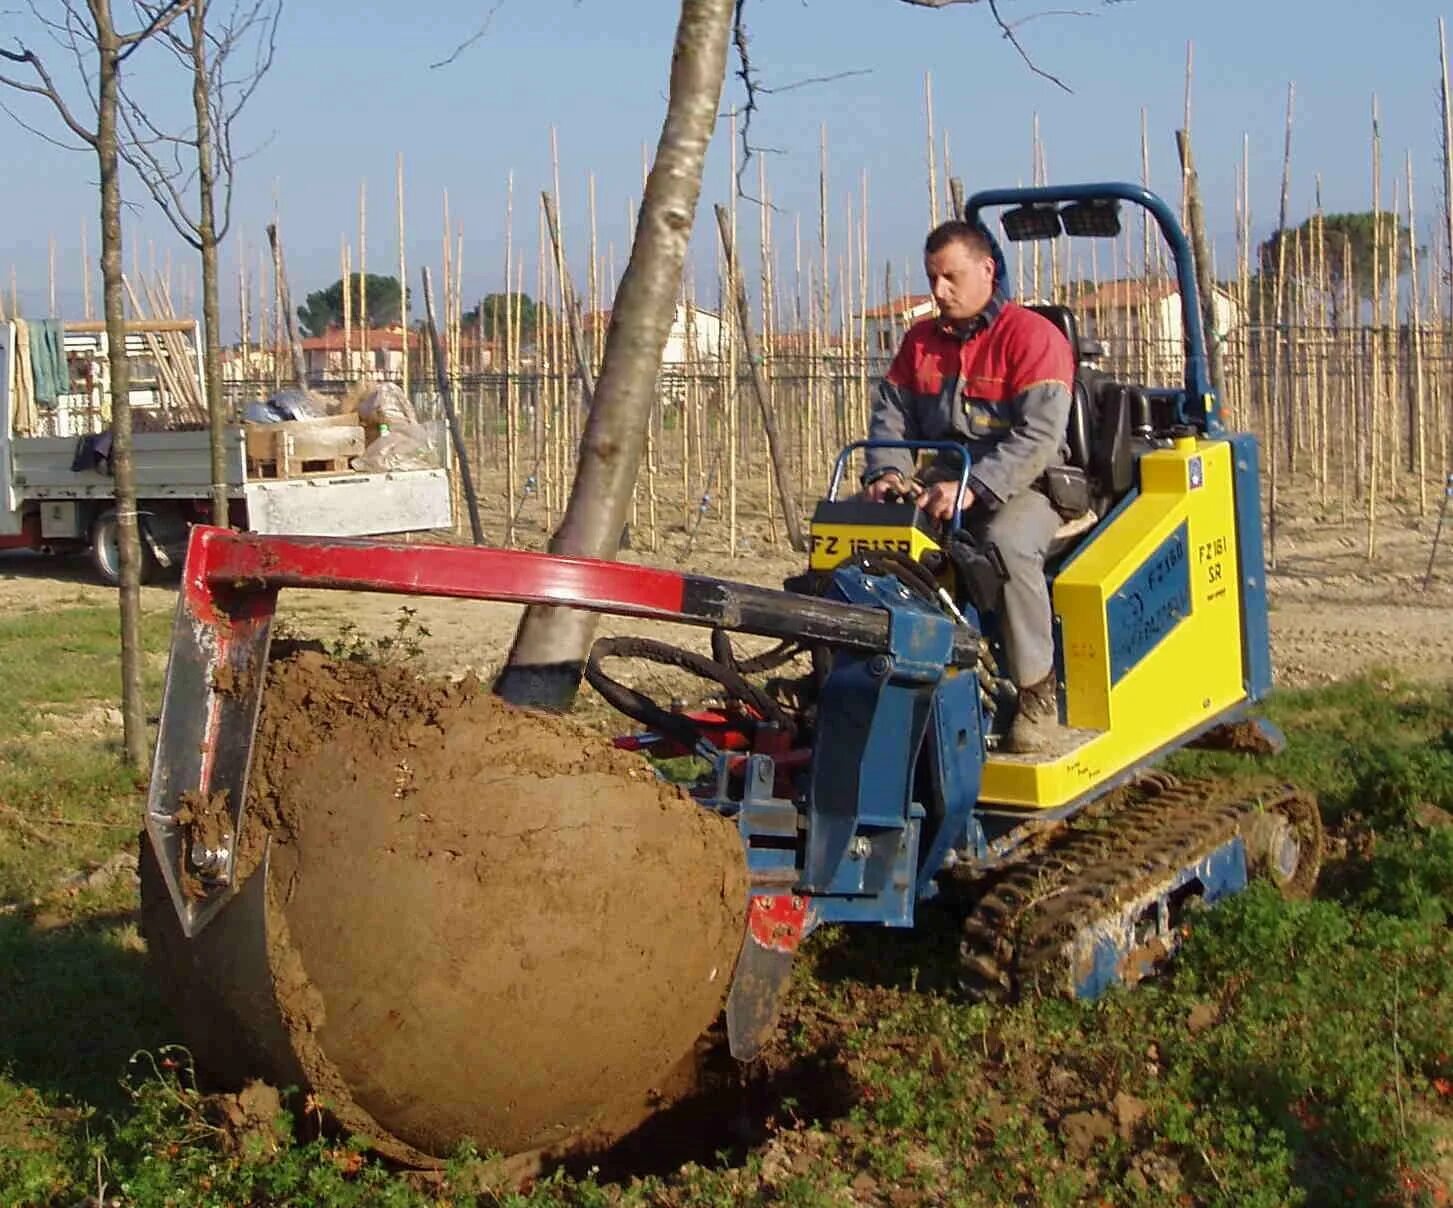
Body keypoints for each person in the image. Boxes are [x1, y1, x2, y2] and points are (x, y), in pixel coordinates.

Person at [860, 220, 1075, 754]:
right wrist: (886, 472)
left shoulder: (1032, 338)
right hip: (945, 477)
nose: (938, 291)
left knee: (1006, 545)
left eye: (950, 277)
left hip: (1029, 484)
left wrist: (974, 487)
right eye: (933, 278)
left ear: (987, 270)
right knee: (864, 536)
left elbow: (1039, 438)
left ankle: (1035, 692)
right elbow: (891, 416)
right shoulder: (919, 343)